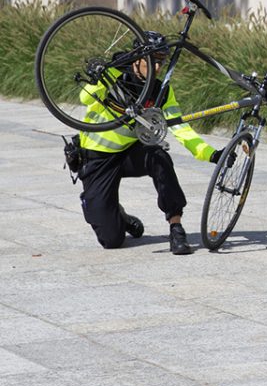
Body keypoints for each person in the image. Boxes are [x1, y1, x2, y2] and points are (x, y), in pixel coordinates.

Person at [75, 31, 226, 255]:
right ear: (136, 59)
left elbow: (180, 128)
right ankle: (118, 215)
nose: (156, 68)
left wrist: (212, 155)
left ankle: (176, 228)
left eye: (160, 62)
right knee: (111, 240)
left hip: (130, 154)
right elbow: (85, 98)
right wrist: (111, 68)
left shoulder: (161, 91)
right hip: (97, 157)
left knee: (159, 156)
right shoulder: (114, 76)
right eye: (151, 61)